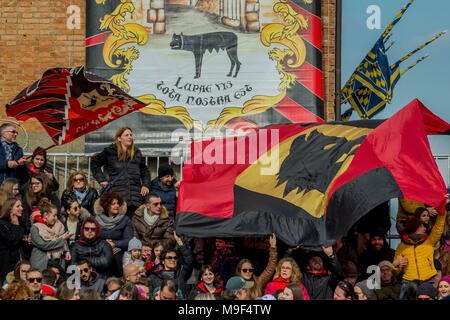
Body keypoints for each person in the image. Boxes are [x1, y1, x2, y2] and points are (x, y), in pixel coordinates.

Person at [91, 127, 151, 218]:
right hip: (118, 198)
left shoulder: (137, 152)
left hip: (135, 198)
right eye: (126, 135)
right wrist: (101, 179)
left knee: (134, 226)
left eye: (131, 135)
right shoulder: (110, 151)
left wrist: (146, 185)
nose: (130, 137)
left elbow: (144, 170)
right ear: (119, 138)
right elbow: (94, 163)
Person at [392, 206, 446, 298]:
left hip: (428, 281)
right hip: (409, 284)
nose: (424, 228)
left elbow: (438, 228)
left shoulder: (429, 241)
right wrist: (396, 264)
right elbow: (395, 272)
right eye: (421, 226)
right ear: (414, 229)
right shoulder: (402, 246)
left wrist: (442, 211)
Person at [94, 191, 133, 277]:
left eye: (118, 203)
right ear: (107, 206)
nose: (117, 206)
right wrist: (105, 245)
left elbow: (129, 240)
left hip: (119, 250)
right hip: (101, 249)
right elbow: (93, 237)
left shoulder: (125, 219)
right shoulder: (97, 220)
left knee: (116, 258)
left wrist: (114, 244)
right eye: (113, 204)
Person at [29, 198, 72, 271]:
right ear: (46, 215)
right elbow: (44, 245)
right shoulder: (35, 228)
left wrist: (66, 251)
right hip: (42, 263)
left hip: (58, 261)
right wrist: (61, 239)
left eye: (56, 215)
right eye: (54, 215)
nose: (56, 218)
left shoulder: (60, 225)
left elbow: (63, 241)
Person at [149, 232, 194, 298]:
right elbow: (150, 296)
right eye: (169, 258)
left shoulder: (181, 274)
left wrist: (180, 244)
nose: (173, 260)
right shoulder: (154, 277)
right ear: (163, 261)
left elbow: (189, 262)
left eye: (175, 258)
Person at [235, 233, 277, 299]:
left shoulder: (258, 282)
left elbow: (270, 268)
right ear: (239, 271)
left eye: (250, 270)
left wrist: (273, 248)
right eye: (245, 270)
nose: (248, 272)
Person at [0, 197, 26, 285]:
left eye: (21, 206)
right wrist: (16, 225)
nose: (21, 208)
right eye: (18, 206)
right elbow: (12, 240)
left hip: (19, 263)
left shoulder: (21, 222)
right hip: (6, 265)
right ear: (10, 208)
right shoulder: (2, 224)